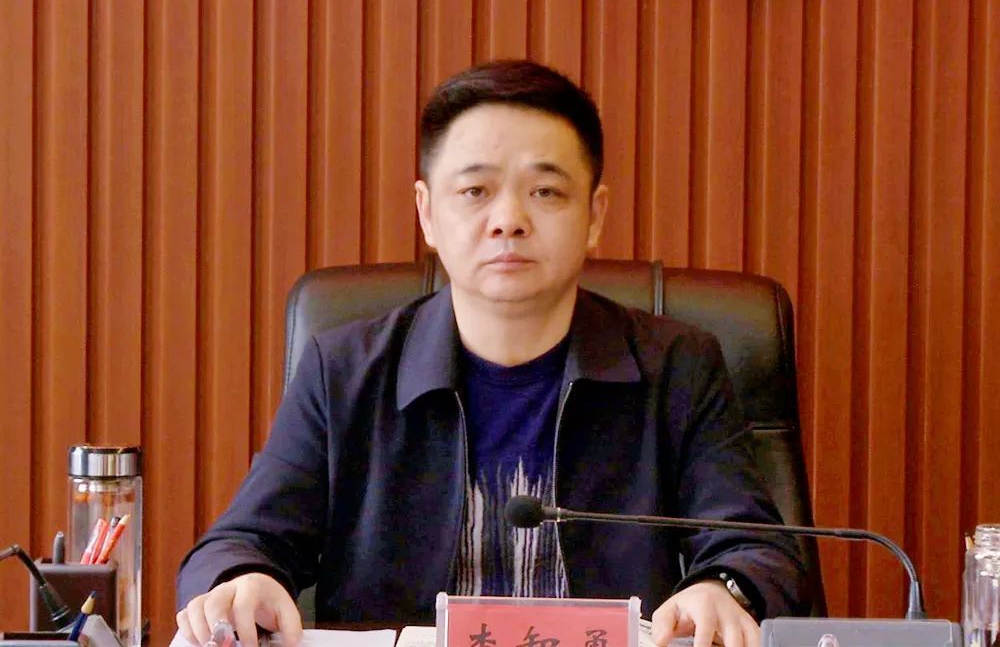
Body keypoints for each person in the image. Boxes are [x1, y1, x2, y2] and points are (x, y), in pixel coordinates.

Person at [175, 60, 809, 647]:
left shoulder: (678, 367)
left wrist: (723, 588)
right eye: (476, 191)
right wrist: (242, 578)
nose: (509, 219)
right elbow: (242, 542)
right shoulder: (343, 372)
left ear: (595, 215)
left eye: (546, 192)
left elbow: (756, 549)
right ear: (427, 213)